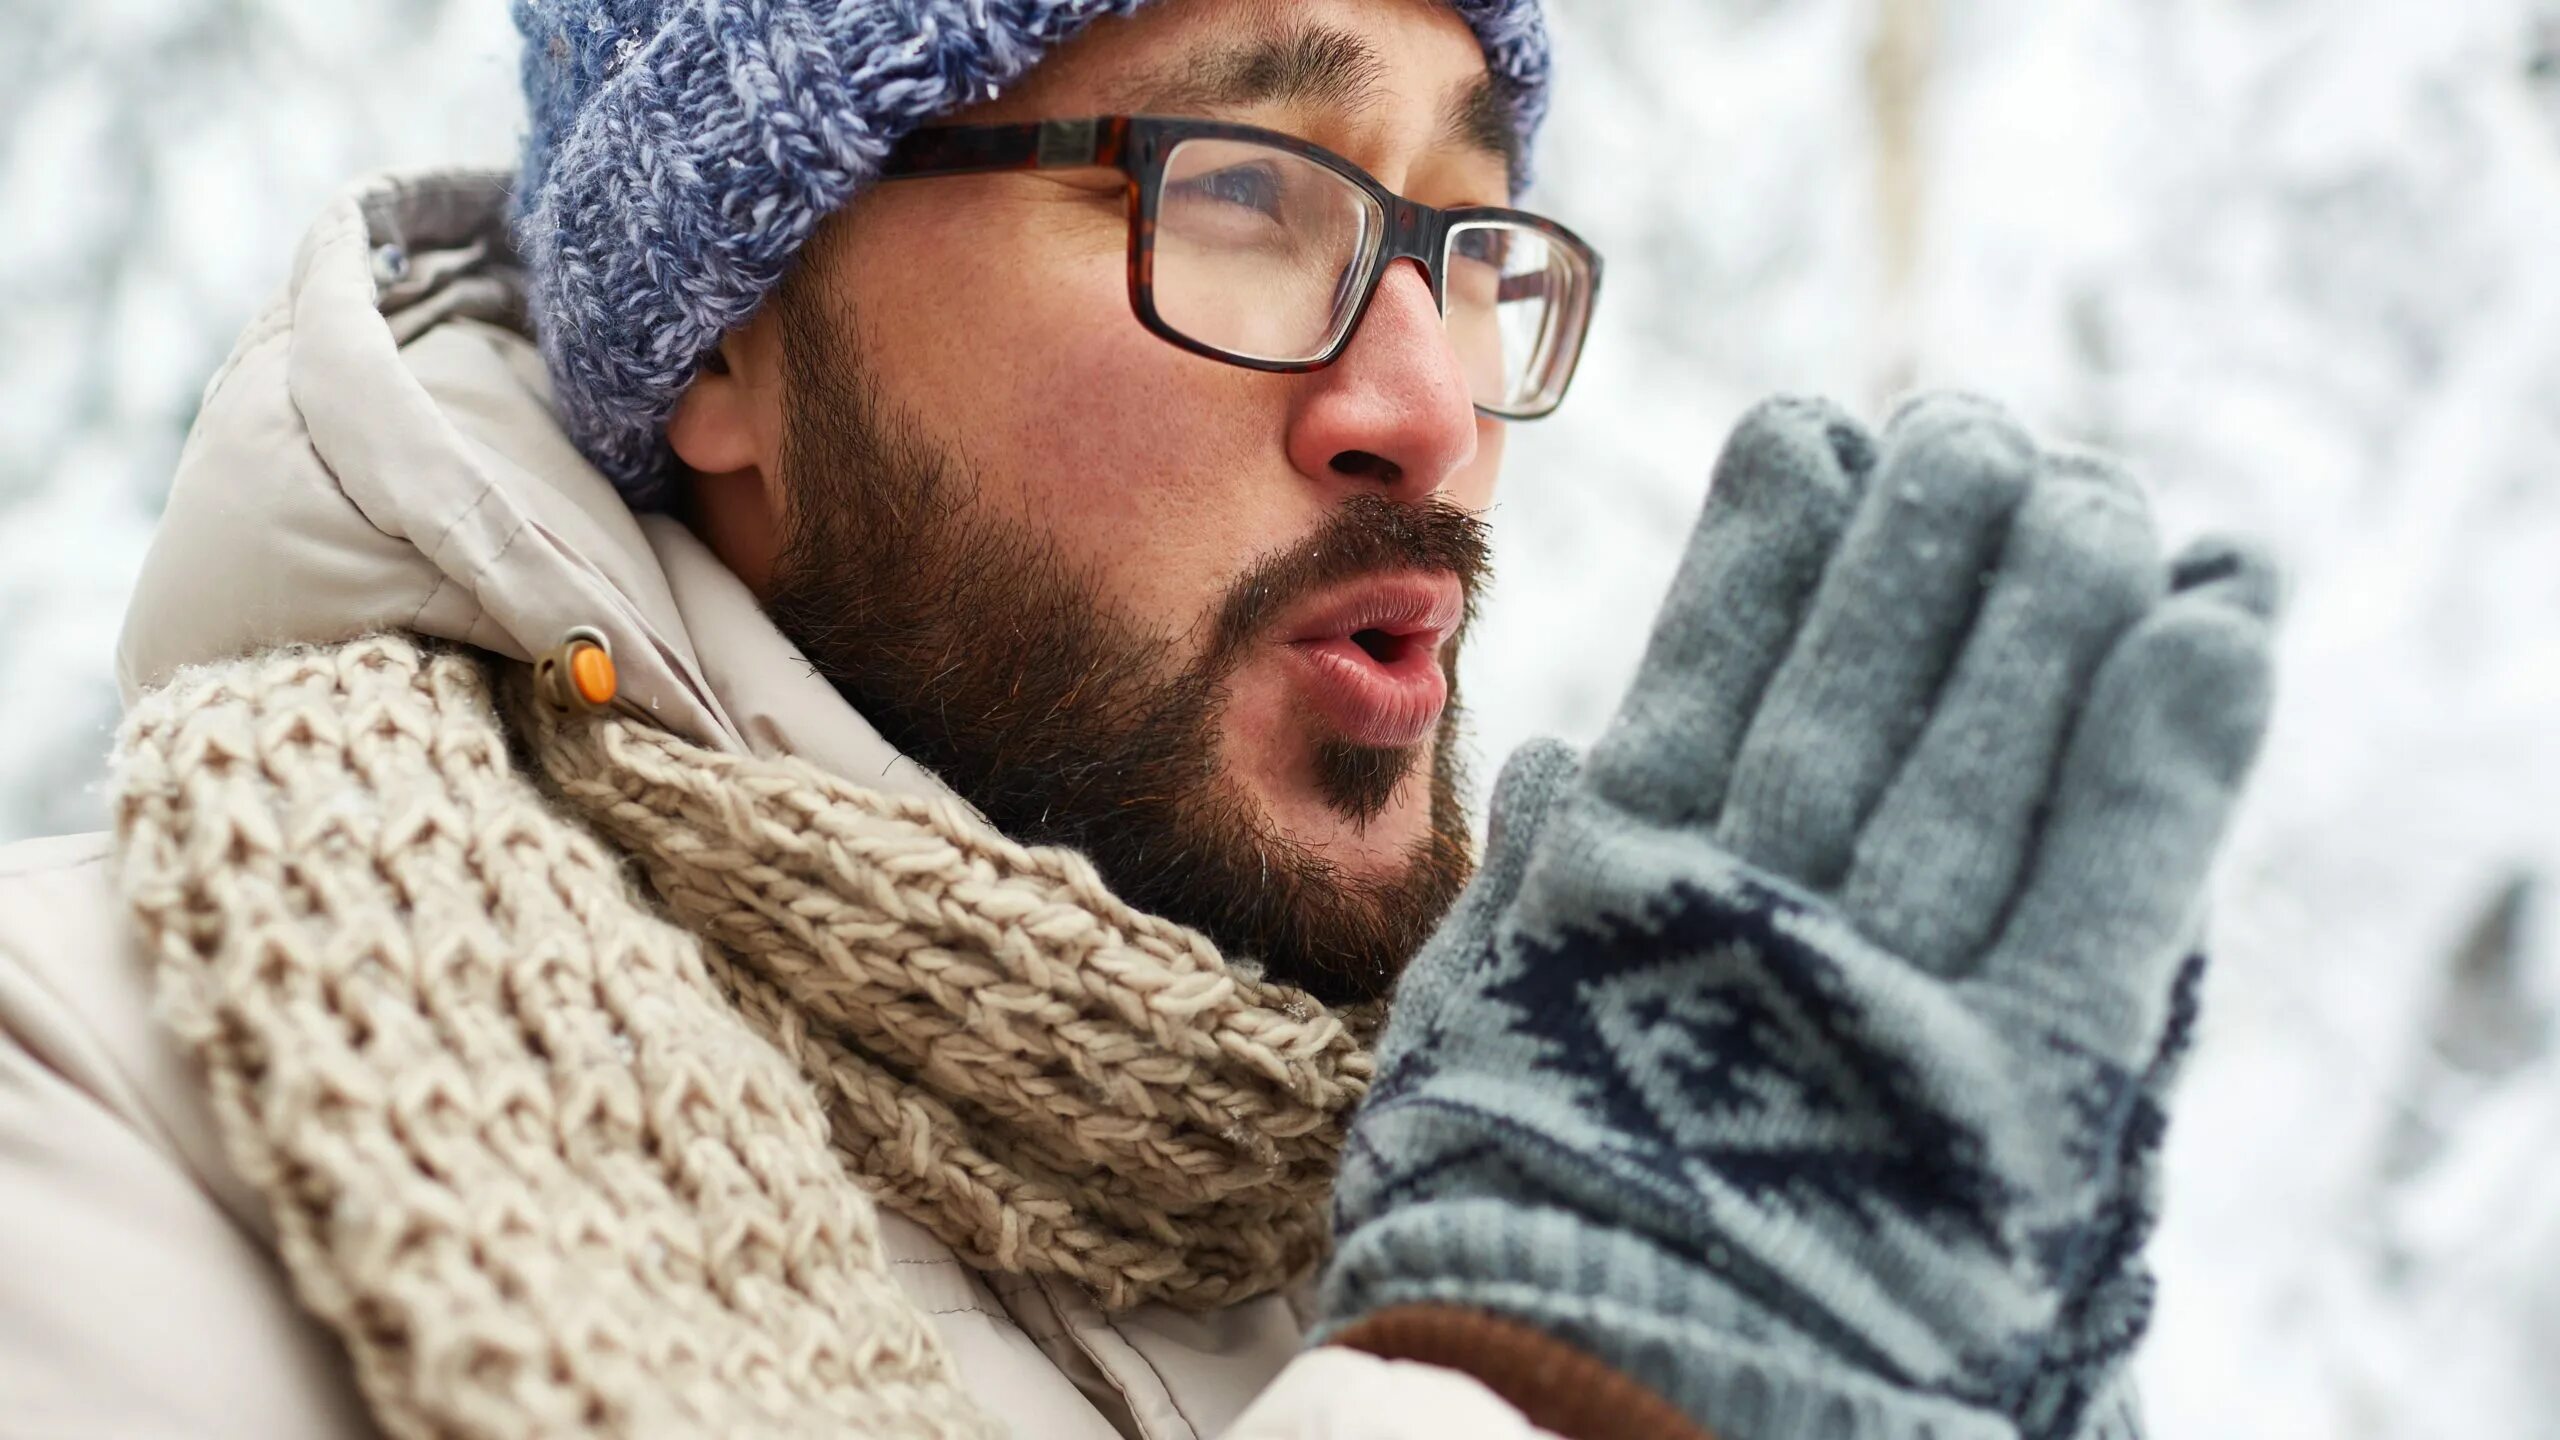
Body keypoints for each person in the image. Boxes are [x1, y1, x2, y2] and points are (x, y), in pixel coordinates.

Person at [0, 0, 2276, 1436]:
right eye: (1251, 194)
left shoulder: (1562, 1131)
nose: (1426, 407)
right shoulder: (92, 1118)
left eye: (1471, 240)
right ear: (724, 338)